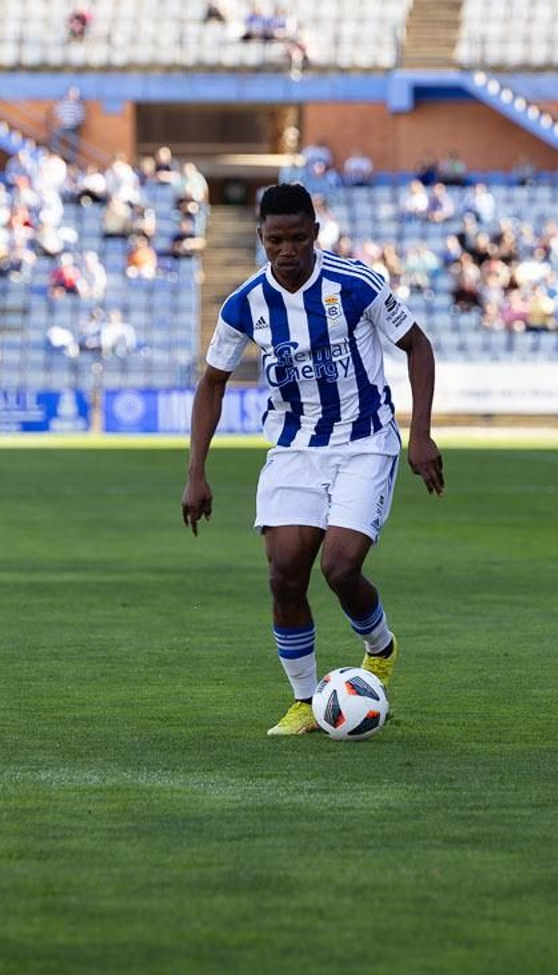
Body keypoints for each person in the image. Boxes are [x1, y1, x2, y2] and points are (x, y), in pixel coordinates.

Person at [182, 184, 444, 736]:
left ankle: (381, 648)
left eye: (298, 238)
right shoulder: (244, 304)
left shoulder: (356, 284)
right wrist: (196, 473)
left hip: (365, 441)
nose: (287, 250)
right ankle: (305, 701)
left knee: (340, 567)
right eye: (276, 240)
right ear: (261, 239)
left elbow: (417, 346)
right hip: (294, 448)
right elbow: (212, 384)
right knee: (284, 574)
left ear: (315, 235)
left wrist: (420, 436)